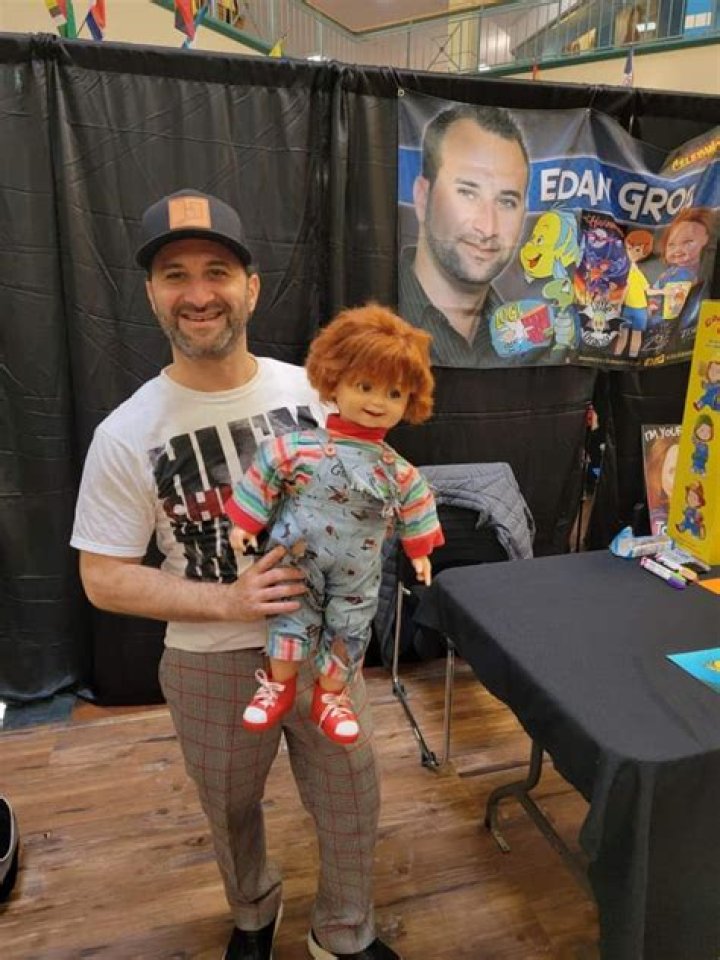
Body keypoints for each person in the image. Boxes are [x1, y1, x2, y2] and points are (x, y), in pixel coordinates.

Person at [70, 189, 403, 960]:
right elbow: (103, 577)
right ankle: (253, 915)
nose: (198, 294)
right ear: (152, 294)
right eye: (175, 275)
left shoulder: (318, 394)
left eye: (216, 271)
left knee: (352, 797)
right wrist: (232, 600)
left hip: (322, 652)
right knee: (229, 807)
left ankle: (344, 933)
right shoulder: (126, 434)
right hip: (208, 661)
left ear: (251, 288)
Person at [227, 305, 443, 745]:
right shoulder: (297, 447)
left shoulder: (397, 470)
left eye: (394, 394)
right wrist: (245, 523)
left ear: (409, 402)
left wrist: (419, 551)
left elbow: (417, 504)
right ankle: (279, 686)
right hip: (296, 563)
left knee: (351, 626)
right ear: (335, 381)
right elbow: (266, 472)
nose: (377, 402)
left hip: (357, 574)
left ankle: (331, 697)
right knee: (289, 613)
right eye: (364, 386)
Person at [400, 102, 530, 367]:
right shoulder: (371, 315)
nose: (488, 228)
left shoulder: (527, 342)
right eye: (468, 193)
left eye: (506, 202)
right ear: (423, 198)